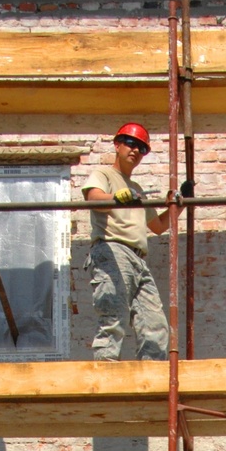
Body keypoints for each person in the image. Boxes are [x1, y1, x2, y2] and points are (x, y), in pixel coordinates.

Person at [82, 122, 170, 361]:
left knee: (155, 325)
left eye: (141, 148)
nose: (135, 150)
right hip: (113, 250)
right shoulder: (104, 175)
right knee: (113, 318)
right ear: (117, 145)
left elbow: (159, 227)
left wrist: (178, 205)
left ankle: (152, 377)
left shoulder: (136, 189)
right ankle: (106, 374)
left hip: (139, 260)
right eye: (130, 143)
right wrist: (116, 197)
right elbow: (93, 198)